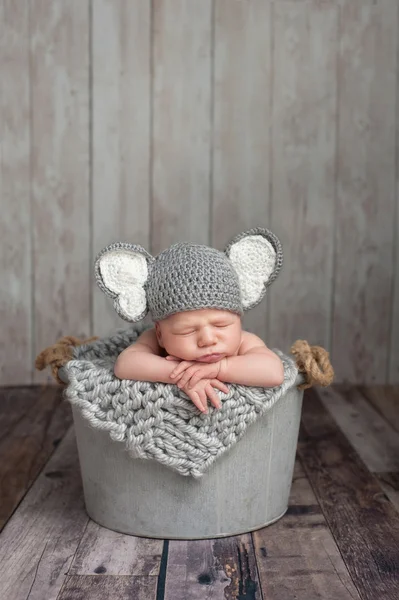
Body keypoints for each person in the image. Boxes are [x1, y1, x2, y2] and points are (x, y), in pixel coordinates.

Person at [95, 227, 285, 414]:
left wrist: (220, 368)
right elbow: (125, 364)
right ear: (160, 333)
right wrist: (184, 374)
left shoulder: (244, 342)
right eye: (187, 331)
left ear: (238, 320)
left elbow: (274, 372)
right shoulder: (153, 339)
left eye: (221, 325)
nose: (208, 339)